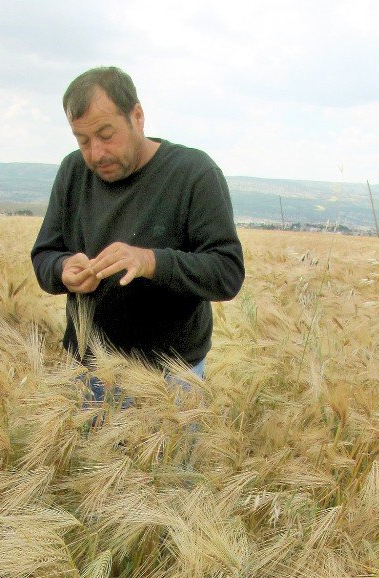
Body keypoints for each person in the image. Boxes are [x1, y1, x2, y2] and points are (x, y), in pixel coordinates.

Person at [30, 66, 245, 403]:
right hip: (88, 373)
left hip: (170, 381)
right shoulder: (73, 172)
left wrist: (150, 261)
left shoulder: (193, 174)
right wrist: (62, 269)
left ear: (137, 116)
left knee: (170, 460)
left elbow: (227, 273)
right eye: (82, 140)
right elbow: (44, 255)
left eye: (106, 134)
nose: (96, 153)